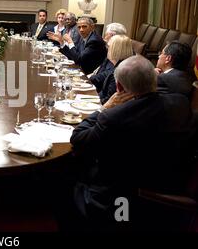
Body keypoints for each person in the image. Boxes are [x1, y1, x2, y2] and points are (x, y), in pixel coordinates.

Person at [68, 55, 195, 230]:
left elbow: (78, 138)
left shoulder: (113, 117)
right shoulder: (181, 103)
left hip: (118, 197)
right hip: (169, 181)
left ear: (119, 87)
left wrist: (103, 108)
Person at [97, 35, 134, 104]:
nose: (107, 49)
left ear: (116, 50)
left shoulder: (119, 72)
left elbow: (109, 101)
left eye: (109, 47)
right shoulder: (121, 65)